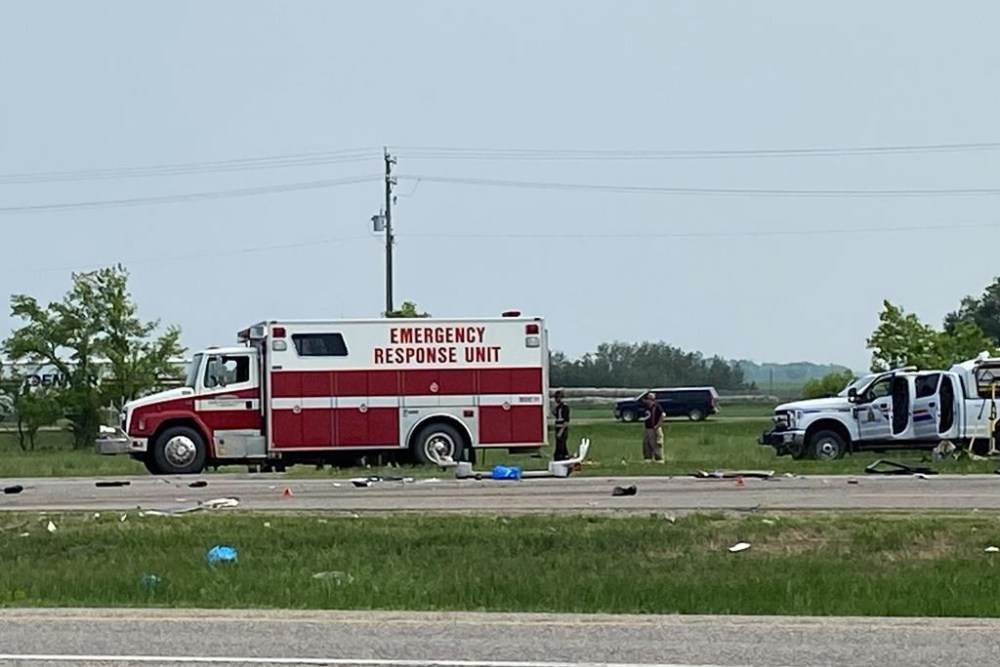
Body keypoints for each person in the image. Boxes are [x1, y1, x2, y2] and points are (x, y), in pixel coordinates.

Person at [642, 391, 664, 462]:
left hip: (654, 428)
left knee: (656, 444)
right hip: (647, 428)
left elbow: (663, 415)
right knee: (646, 443)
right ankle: (648, 458)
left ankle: (659, 458)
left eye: (649, 399)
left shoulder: (657, 407)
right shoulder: (647, 407)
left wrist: (658, 425)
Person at [552, 389, 571, 460]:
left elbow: (566, 421)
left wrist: (561, 431)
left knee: (561, 446)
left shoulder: (565, 407)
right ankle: (565, 456)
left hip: (562, 429)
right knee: (560, 445)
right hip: (557, 428)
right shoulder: (557, 407)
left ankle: (561, 457)